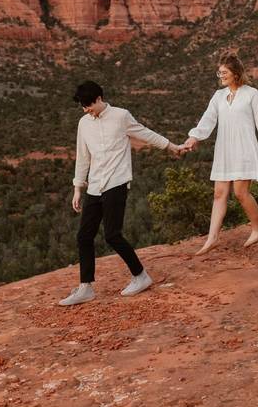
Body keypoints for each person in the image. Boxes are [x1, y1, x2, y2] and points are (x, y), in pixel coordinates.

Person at [60, 81, 185, 306]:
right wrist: (78, 188)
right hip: (95, 185)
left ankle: (140, 276)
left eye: (88, 104)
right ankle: (85, 288)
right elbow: (83, 157)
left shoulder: (121, 116)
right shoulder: (83, 123)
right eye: (82, 106)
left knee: (112, 235)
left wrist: (171, 146)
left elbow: (145, 134)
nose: (85, 109)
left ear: (99, 99)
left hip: (117, 182)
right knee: (84, 236)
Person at [183, 52, 258, 254]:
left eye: (224, 72)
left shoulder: (251, 94)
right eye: (219, 73)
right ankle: (212, 238)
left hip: (244, 148)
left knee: (240, 193)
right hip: (224, 150)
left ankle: (257, 228)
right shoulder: (219, 96)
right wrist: (194, 137)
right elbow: (207, 120)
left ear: (236, 73)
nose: (221, 76)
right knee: (219, 194)